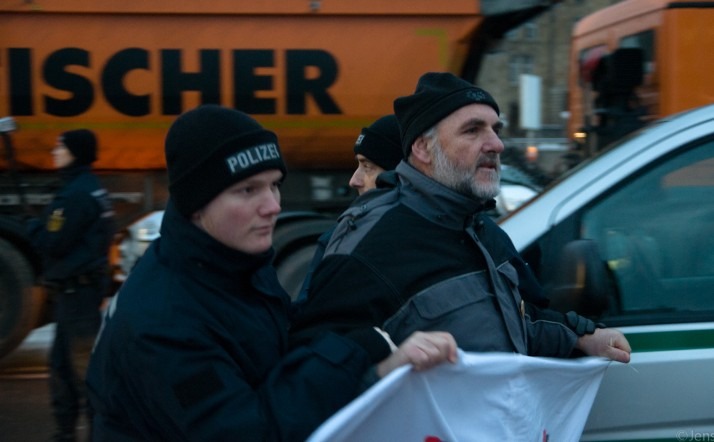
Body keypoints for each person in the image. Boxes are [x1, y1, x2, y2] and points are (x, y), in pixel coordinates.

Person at [85, 104, 458, 441]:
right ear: (196, 204)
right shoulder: (162, 321)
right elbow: (251, 432)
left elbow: (274, 361)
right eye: (248, 190)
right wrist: (354, 351)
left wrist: (373, 361)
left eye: (274, 185)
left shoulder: (232, 266)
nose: (273, 206)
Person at [289, 72, 632, 364]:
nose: (496, 144)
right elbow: (315, 371)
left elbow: (510, 327)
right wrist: (388, 367)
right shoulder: (370, 243)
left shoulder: (483, 231)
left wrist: (578, 337)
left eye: (495, 129)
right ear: (423, 148)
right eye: (473, 130)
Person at [26, 129, 115, 442]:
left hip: (78, 298)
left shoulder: (75, 195)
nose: (54, 152)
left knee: (80, 373)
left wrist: (33, 226)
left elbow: (54, 242)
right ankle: (66, 434)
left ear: (75, 152)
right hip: (78, 294)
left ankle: (95, 435)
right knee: (63, 370)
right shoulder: (90, 188)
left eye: (59, 147)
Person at [296, 114, 403, 303]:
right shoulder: (336, 238)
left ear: (398, 175)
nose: (354, 181)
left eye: (367, 167)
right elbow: (309, 312)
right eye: (358, 165)